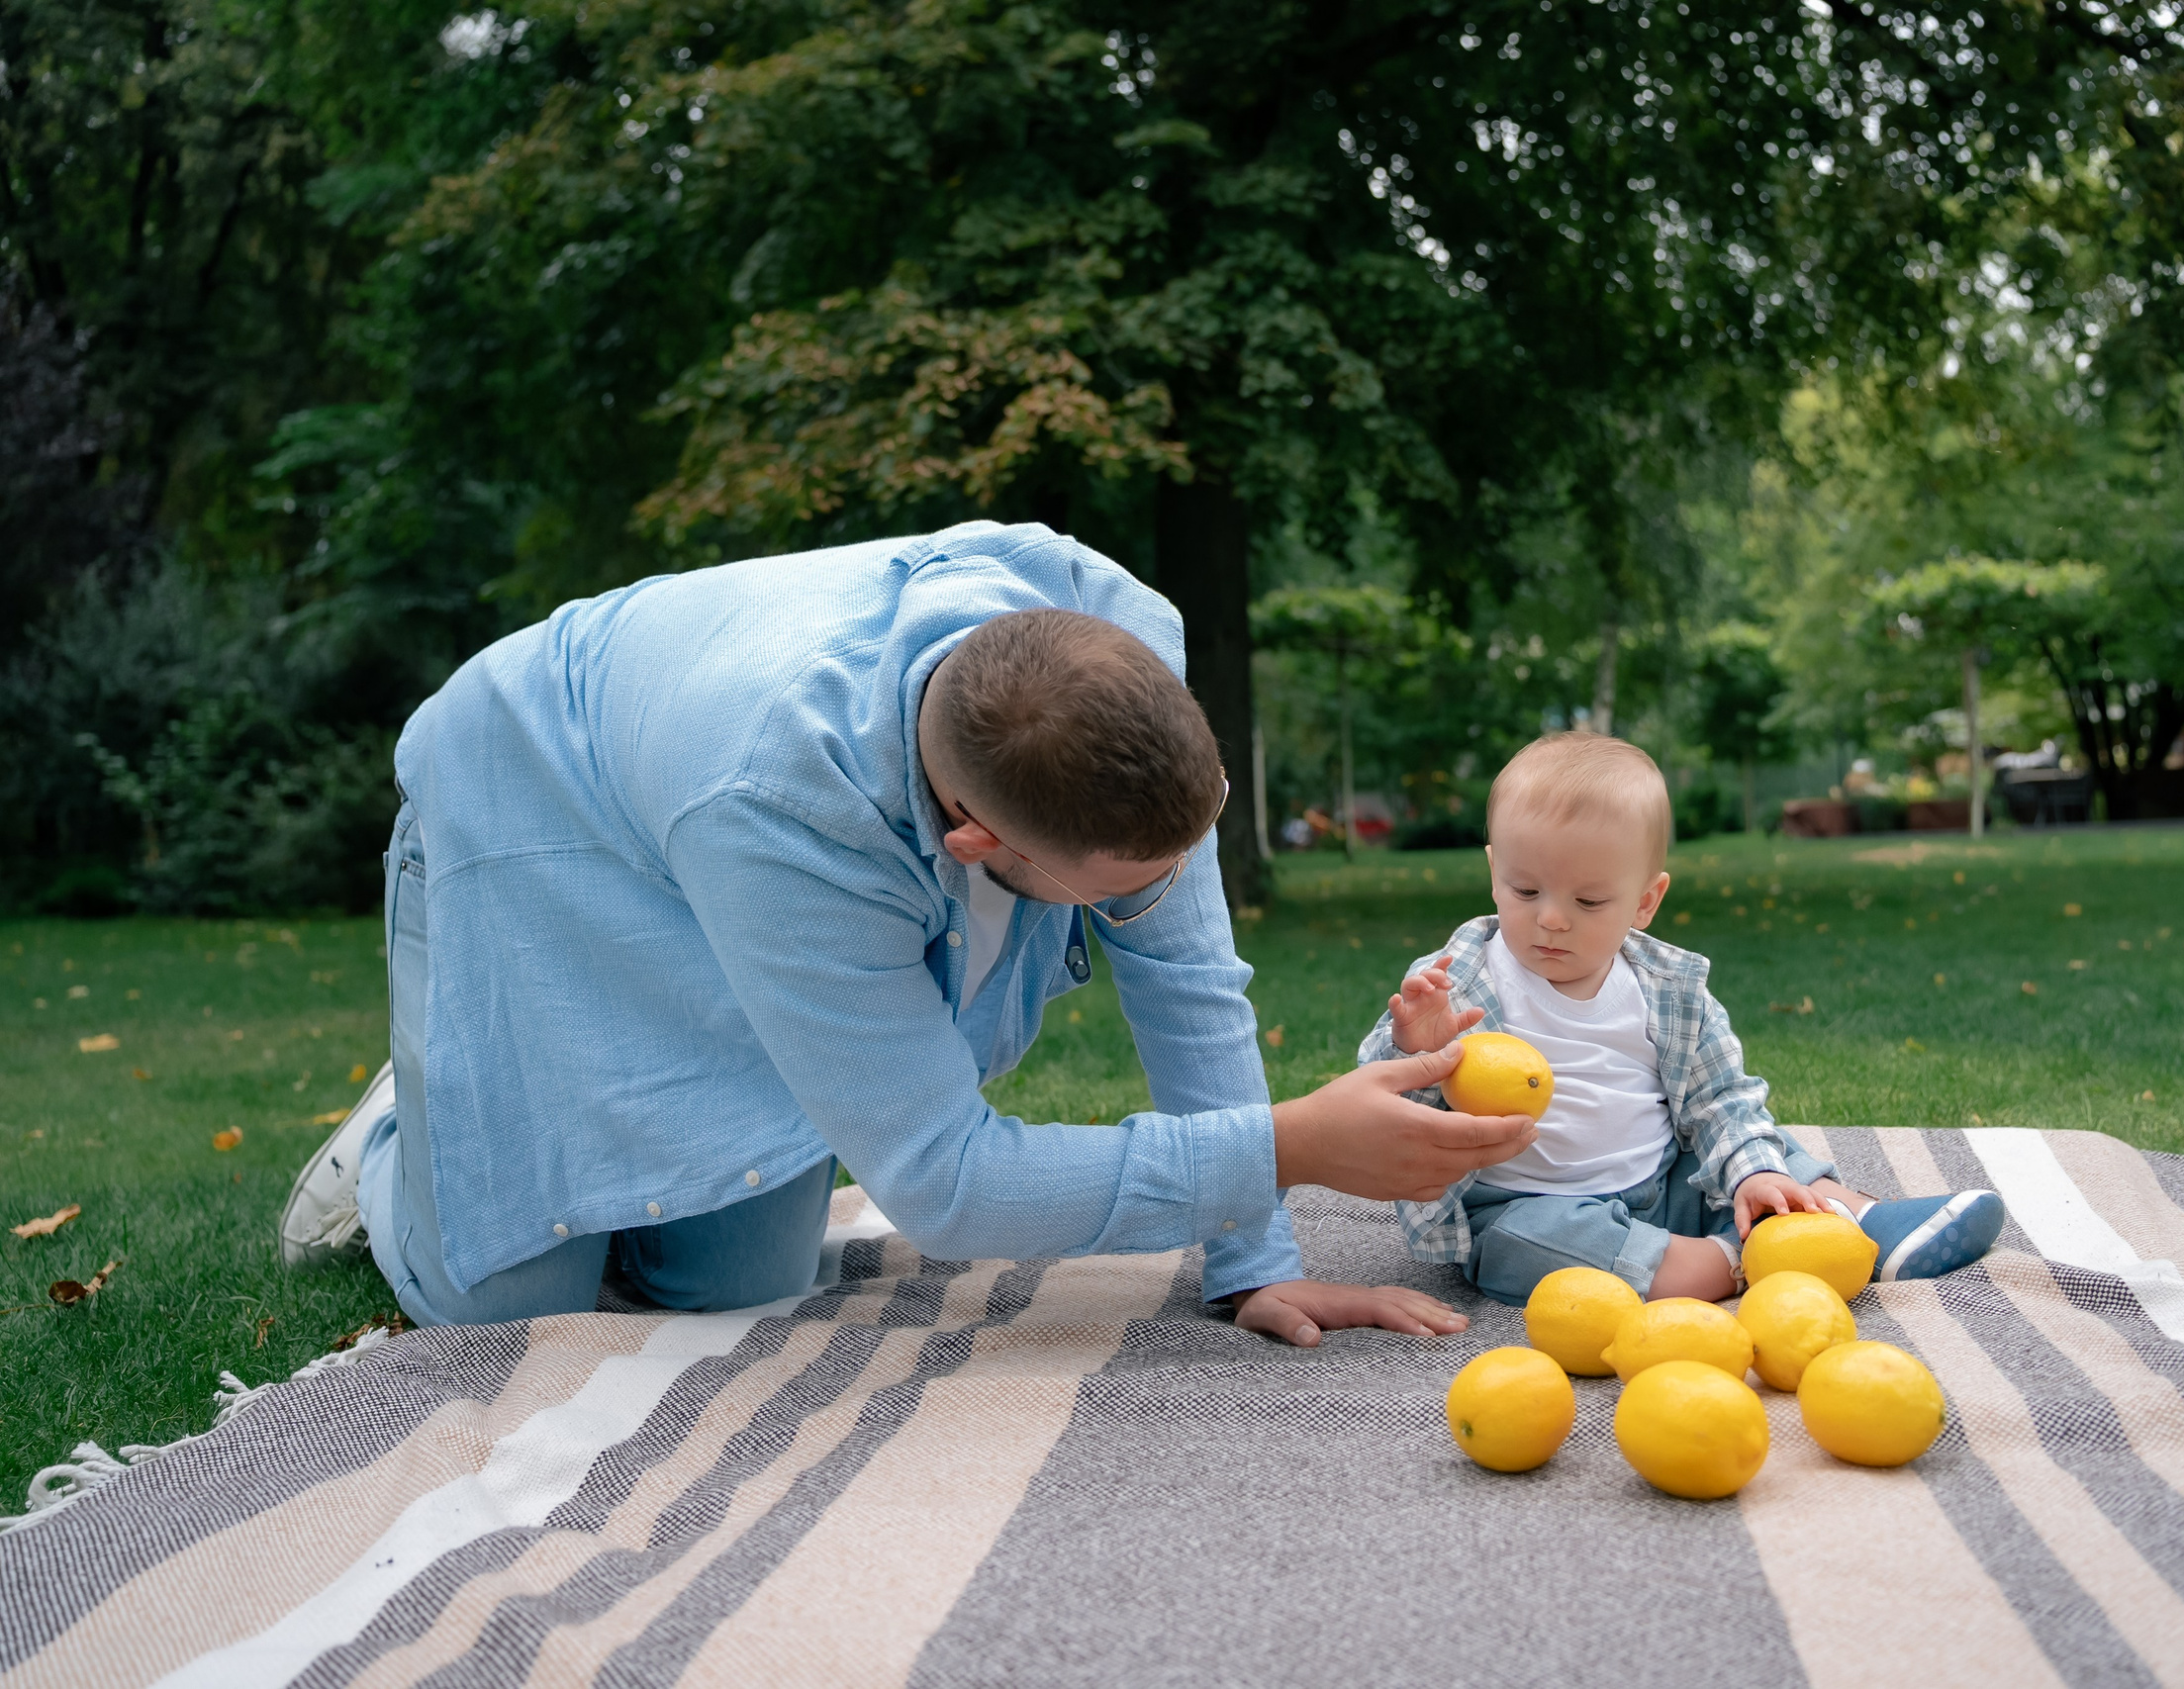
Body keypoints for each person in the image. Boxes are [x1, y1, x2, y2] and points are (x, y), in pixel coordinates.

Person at [279, 520, 1540, 1346]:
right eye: (1121, 893)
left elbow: (1188, 976)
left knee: (740, 1294)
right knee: (507, 1310)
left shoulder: (1120, 669)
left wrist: (1250, 1259)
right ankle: (403, 1134)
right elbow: (947, 1181)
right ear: (978, 844)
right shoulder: (784, 808)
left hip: (693, 798)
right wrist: (1285, 1145)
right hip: (529, 819)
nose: (1161, 901)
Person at [1357, 732, 2005, 1305]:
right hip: (1525, 1201)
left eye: (1589, 901)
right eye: (1526, 890)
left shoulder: (1666, 988)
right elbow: (1382, 1108)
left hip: (1666, 1180)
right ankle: (1740, 1260)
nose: (1551, 917)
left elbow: (1720, 1097)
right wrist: (1412, 1047)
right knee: (1531, 1244)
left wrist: (1755, 1171)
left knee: (1762, 1150)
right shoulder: (1454, 982)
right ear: (1495, 869)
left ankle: (1858, 1219)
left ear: (1646, 900)